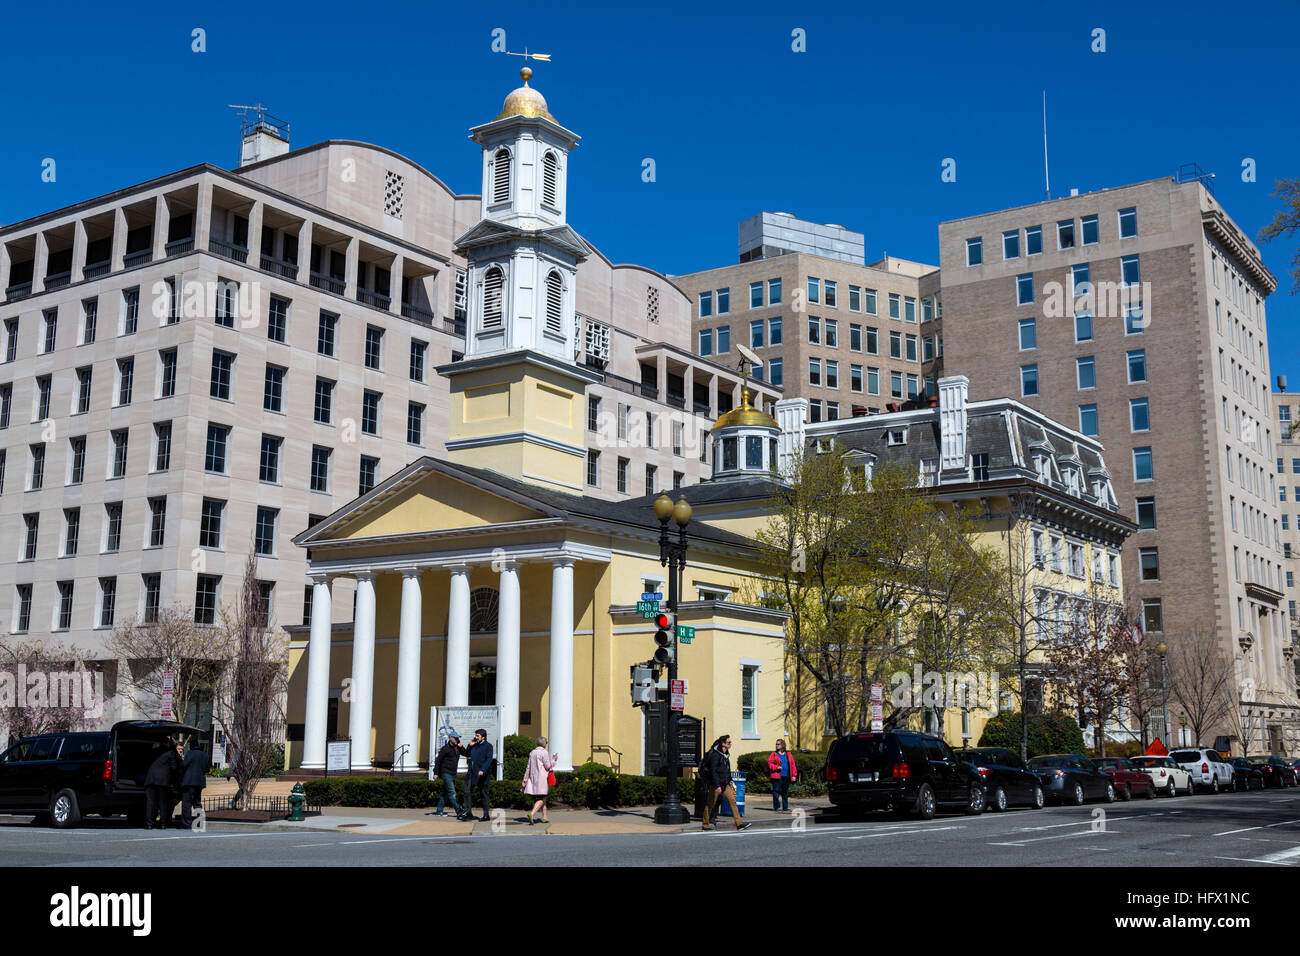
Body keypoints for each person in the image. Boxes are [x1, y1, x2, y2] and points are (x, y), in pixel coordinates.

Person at [700, 734, 750, 831]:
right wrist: (717, 785)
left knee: (732, 802)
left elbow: (727, 770)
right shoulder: (715, 755)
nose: (730, 744)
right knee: (710, 804)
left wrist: (730, 780)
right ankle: (705, 825)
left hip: (725, 784)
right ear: (723, 744)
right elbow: (713, 771)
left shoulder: (725, 754)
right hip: (716, 785)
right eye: (728, 742)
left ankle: (739, 824)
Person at [143, 738, 181, 830]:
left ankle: (149, 824)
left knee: (150, 802)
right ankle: (163, 823)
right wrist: (175, 781)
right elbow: (174, 768)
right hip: (163, 781)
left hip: (151, 779)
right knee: (163, 802)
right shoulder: (171, 753)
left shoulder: (156, 751)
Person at [522, 736, 557, 825]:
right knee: (542, 797)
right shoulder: (544, 753)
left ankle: (544, 817)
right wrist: (553, 760)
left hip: (533, 778)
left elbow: (528, 767)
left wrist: (525, 780)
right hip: (542, 778)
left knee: (543, 798)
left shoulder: (532, 752)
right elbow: (548, 766)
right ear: (544, 744)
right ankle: (532, 814)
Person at [461, 729, 494, 822]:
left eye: (478, 736)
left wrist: (483, 769)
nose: (476, 737)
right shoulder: (474, 745)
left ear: (483, 737)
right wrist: (469, 745)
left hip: (481, 774)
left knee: (483, 794)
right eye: (476, 735)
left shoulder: (488, 746)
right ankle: (468, 813)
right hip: (471, 772)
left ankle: (486, 815)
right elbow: (466, 754)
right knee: (467, 792)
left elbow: (489, 759)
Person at [179, 738, 211, 830]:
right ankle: (199, 823)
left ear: (191, 746)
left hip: (189, 782)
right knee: (197, 803)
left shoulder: (190, 753)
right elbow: (207, 769)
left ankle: (187, 823)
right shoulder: (205, 755)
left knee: (186, 803)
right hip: (200, 782)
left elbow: (184, 765)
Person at [433, 732, 463, 817]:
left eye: (458, 738)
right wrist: (436, 773)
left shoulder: (457, 747)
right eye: (455, 738)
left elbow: (466, 753)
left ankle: (439, 811)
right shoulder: (445, 749)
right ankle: (459, 810)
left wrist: (462, 746)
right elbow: (438, 761)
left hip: (453, 773)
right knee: (452, 792)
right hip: (446, 773)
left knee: (445, 793)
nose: (457, 739)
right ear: (450, 738)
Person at [768, 739, 798, 812]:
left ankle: (785, 807)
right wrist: (776, 767)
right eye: (776, 744)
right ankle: (777, 807)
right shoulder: (774, 754)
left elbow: (793, 765)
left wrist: (794, 775)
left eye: (778, 744)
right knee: (776, 792)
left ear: (782, 745)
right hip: (777, 776)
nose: (777, 745)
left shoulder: (788, 754)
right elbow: (769, 764)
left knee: (785, 792)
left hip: (786, 776)